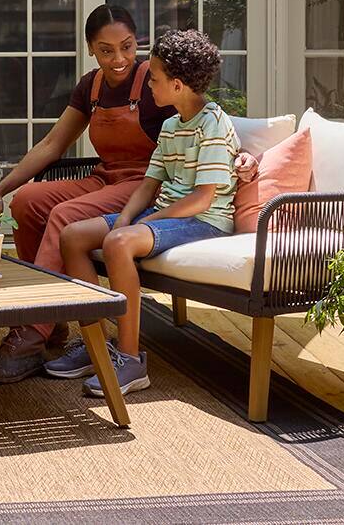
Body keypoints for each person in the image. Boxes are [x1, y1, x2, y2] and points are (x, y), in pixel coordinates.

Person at [0, 5, 176, 384]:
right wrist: (3, 186)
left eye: (127, 47)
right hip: (106, 179)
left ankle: (31, 334)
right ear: (90, 49)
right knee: (28, 202)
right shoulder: (91, 86)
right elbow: (52, 144)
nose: (119, 59)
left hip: (147, 185)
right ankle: (55, 320)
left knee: (66, 214)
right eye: (106, 50)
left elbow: (194, 125)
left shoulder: (154, 82)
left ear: (138, 43)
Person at [55, 29, 241, 397]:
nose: (148, 85)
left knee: (119, 244)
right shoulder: (172, 126)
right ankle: (98, 345)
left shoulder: (214, 124)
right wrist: (125, 218)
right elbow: (148, 183)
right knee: (73, 236)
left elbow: (204, 199)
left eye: (153, 78)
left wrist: (145, 223)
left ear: (176, 85)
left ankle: (130, 360)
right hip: (166, 215)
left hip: (204, 223)